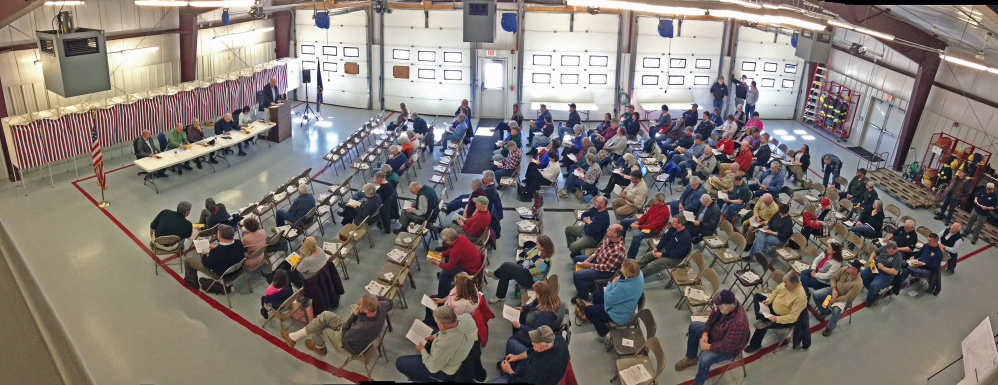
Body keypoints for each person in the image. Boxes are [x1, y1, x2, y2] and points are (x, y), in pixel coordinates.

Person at [675, 290, 750, 385]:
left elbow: (727, 346)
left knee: (704, 359)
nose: (717, 307)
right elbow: (712, 315)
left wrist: (708, 347)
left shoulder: (738, 324)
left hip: (729, 349)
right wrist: (706, 332)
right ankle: (691, 358)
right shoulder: (724, 306)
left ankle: (698, 383)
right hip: (717, 334)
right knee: (694, 326)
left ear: (730, 307)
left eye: (719, 306)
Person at [281, 293, 391, 357]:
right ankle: (294, 337)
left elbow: (344, 334)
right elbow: (390, 302)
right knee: (325, 315)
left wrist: (354, 315)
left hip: (349, 345)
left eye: (360, 304)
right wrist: (376, 299)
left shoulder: (362, 327)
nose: (358, 304)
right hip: (355, 332)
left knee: (321, 328)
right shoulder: (381, 306)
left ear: (366, 310)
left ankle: (318, 347)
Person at [395, 306, 478, 382]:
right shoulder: (467, 318)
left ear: (441, 325)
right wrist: (434, 337)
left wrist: (422, 350)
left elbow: (433, 368)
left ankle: (426, 379)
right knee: (432, 329)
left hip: (445, 371)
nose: (437, 324)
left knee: (400, 362)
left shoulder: (443, 344)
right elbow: (451, 333)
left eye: (437, 322)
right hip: (460, 350)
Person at [578, 259, 644, 337]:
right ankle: (601, 317)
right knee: (596, 296)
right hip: (625, 304)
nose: (621, 269)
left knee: (588, 310)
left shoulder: (624, 288)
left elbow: (608, 298)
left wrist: (611, 284)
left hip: (619, 315)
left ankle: (606, 333)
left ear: (627, 273)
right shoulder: (639, 274)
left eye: (622, 269)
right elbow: (621, 279)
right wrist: (619, 279)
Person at [743, 271, 805, 353]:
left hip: (783, 318)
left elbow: (793, 317)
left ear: (794, 284)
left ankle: (755, 345)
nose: (785, 286)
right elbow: (775, 292)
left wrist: (776, 319)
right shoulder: (786, 284)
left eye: (787, 285)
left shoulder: (800, 297)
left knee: (762, 326)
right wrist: (768, 300)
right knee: (757, 296)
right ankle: (763, 318)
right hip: (774, 306)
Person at [489, 325, 568, 385]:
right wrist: (516, 357)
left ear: (546, 346)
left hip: (526, 378)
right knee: (512, 343)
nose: (532, 343)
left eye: (536, 342)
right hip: (528, 368)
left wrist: (509, 371)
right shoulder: (558, 339)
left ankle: (510, 371)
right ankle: (512, 368)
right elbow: (532, 350)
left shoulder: (539, 367)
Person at [487, 235, 554, 304]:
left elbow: (528, 269)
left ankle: (495, 275)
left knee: (506, 265)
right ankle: (500, 296)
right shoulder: (537, 249)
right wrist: (527, 260)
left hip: (531, 279)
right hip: (525, 269)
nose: (536, 243)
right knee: (505, 273)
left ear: (542, 247)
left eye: (538, 243)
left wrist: (527, 260)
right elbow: (527, 254)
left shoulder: (543, 262)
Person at [504, 281, 563, 356]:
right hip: (533, 322)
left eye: (537, 294)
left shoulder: (546, 315)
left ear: (542, 295)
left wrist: (520, 326)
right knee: (517, 322)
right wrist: (522, 309)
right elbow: (532, 306)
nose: (535, 295)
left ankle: (511, 360)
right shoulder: (549, 299)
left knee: (511, 341)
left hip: (536, 335)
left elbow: (537, 334)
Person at [573, 224, 626, 300]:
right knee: (576, 259)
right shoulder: (610, 238)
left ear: (615, 234)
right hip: (598, 260)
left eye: (610, 229)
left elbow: (607, 267)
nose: (607, 229)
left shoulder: (618, 250)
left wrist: (590, 265)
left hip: (605, 271)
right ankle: (590, 284)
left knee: (577, 275)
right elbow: (599, 249)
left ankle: (583, 296)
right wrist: (589, 258)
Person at [182, 224, 244, 290]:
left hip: (223, 276)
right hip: (237, 270)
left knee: (188, 261)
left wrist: (204, 255)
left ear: (219, 236)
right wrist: (216, 248)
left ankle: (191, 282)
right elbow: (228, 252)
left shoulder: (216, 252)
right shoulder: (239, 243)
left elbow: (207, 264)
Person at [813, 260, 863, 337]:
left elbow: (848, 297)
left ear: (855, 270)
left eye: (850, 267)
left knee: (836, 311)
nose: (847, 267)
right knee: (816, 294)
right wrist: (834, 289)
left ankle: (830, 327)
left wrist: (835, 300)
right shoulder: (844, 269)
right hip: (834, 290)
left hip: (843, 299)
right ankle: (825, 311)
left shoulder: (858, 283)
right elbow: (833, 278)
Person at [433, 228, 484, 297]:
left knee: (444, 274)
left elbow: (450, 266)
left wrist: (438, 263)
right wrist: (442, 254)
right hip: (475, 264)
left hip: (470, 270)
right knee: (448, 261)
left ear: (449, 241)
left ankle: (442, 296)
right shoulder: (460, 237)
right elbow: (452, 249)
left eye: (444, 240)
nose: (444, 242)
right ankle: (446, 279)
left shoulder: (456, 251)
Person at [621, 193, 670, 259]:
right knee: (624, 221)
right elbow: (646, 215)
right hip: (647, 223)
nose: (653, 200)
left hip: (653, 229)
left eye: (656, 199)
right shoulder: (655, 204)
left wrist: (638, 226)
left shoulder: (664, 212)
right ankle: (620, 241)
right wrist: (637, 222)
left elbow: (652, 226)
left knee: (637, 236)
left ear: (661, 201)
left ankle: (631, 258)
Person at [860, 241, 903, 307]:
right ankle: (873, 292)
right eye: (888, 251)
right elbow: (875, 252)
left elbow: (895, 272)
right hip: (875, 268)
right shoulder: (884, 248)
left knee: (873, 285)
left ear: (896, 249)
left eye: (891, 252)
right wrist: (871, 258)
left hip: (886, 274)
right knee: (861, 275)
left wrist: (883, 268)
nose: (889, 253)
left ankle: (870, 300)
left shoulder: (898, 258)